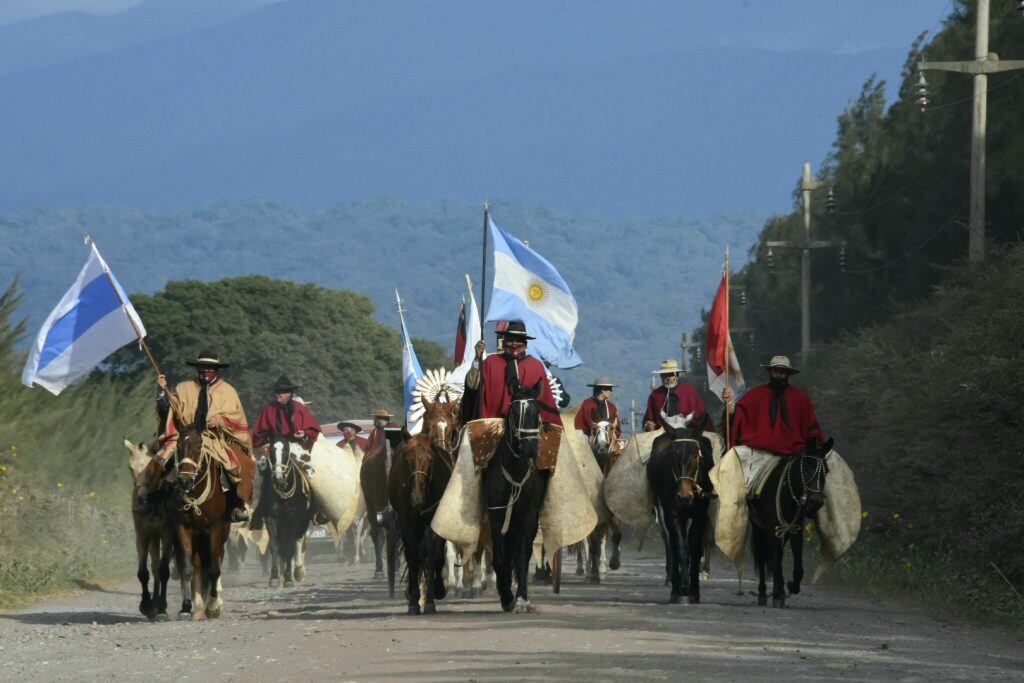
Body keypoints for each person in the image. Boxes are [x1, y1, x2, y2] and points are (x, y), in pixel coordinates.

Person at [157, 350, 254, 523]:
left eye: (209, 367)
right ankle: (156, 504)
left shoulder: (228, 391)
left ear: (216, 370)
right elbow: (169, 411)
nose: (205, 371)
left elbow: (238, 419)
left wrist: (220, 419)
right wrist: (162, 391)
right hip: (185, 436)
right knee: (161, 460)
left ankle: (236, 504)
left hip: (214, 437)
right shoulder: (183, 387)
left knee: (231, 464)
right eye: (202, 367)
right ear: (197, 368)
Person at [464, 321, 562, 426]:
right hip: (493, 426)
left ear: (525, 343)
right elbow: (472, 385)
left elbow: (544, 399)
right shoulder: (491, 362)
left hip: (527, 429)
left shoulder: (535, 366)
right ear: (504, 341)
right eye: (510, 340)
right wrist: (477, 359)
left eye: (518, 340)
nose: (514, 343)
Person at [722, 355, 825, 455]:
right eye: (776, 371)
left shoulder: (800, 398)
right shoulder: (756, 394)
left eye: (783, 372)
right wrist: (729, 402)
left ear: (788, 374)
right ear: (770, 372)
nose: (779, 374)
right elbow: (739, 415)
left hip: (795, 451)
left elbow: (811, 425)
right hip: (759, 451)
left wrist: (815, 441)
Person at [251, 375, 322, 449]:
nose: (277, 394)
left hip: (297, 448)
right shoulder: (269, 409)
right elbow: (258, 433)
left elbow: (313, 430)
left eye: (280, 392)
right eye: (276, 392)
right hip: (274, 448)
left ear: (289, 393)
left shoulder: (299, 408)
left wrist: (304, 434)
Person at [643, 359, 712, 432]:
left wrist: (685, 418)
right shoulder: (655, 395)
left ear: (677, 375)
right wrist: (648, 425)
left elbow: (700, 415)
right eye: (665, 375)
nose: (668, 378)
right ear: (661, 376)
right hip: (661, 434)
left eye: (671, 374)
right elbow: (648, 419)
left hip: (688, 432)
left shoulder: (688, 391)